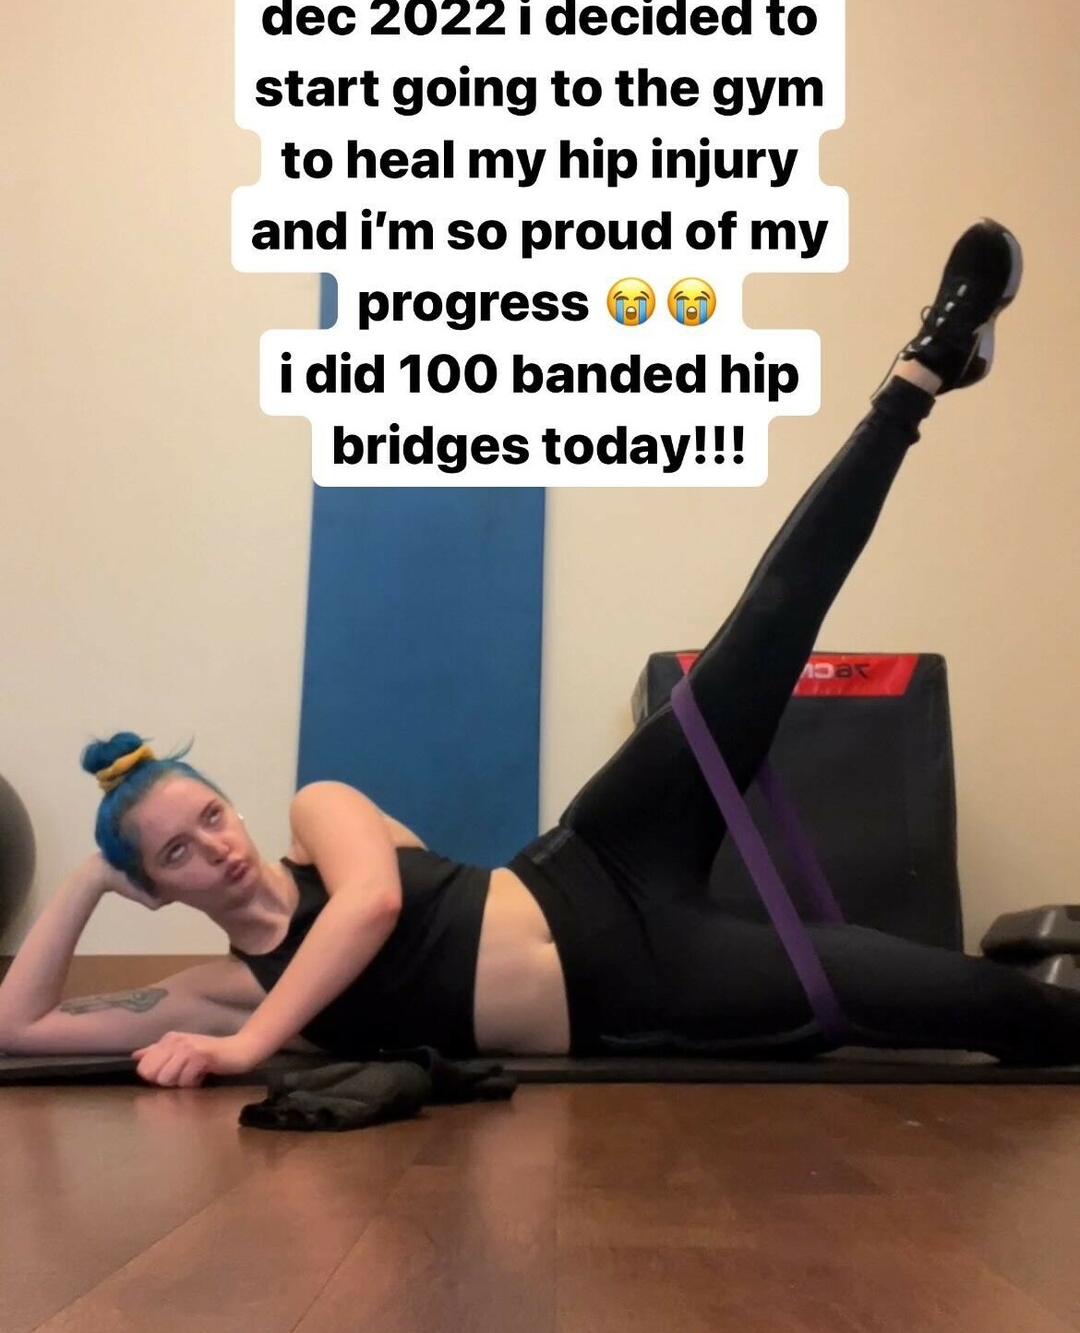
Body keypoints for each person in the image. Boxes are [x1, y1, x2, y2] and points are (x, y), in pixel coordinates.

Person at [4, 220, 1078, 1088]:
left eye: (207, 814)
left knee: (761, 632)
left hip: (598, 859)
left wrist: (248, 1049)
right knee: (965, 1004)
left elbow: (374, 907)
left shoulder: (316, 820)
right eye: (175, 853)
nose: (216, 846)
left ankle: (921, 373)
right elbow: (21, 1027)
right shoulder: (225, 991)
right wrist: (92, 878)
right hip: (649, 988)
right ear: (157, 887)